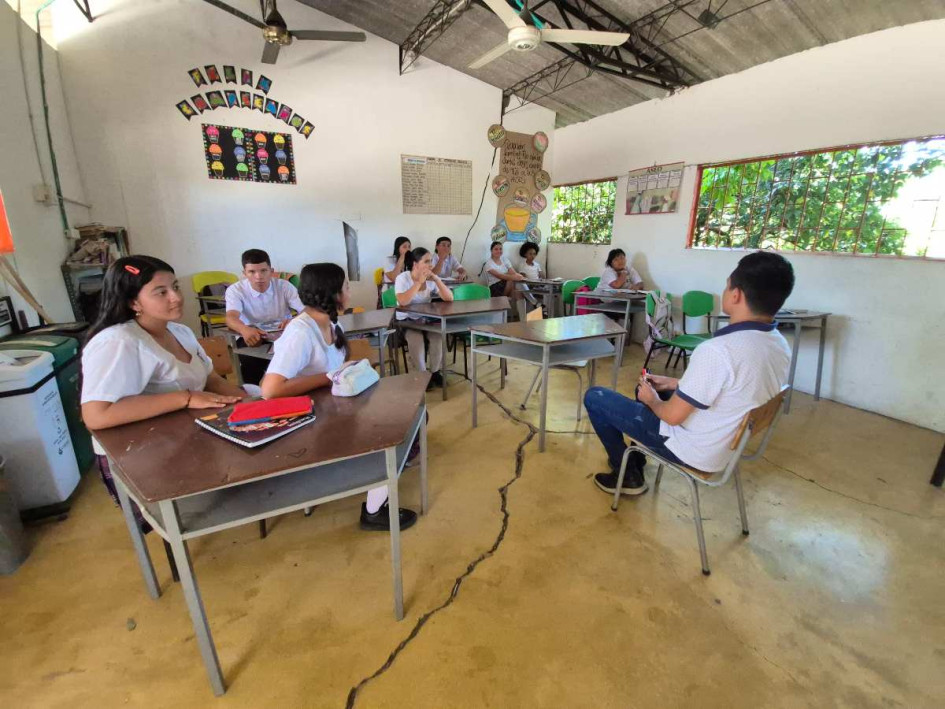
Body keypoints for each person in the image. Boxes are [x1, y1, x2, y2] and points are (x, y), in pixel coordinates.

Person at [584, 251, 794, 496]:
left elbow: (672, 417)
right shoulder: (778, 343)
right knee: (648, 387)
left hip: (691, 448)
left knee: (596, 397)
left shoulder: (718, 350)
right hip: (726, 447)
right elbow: (732, 388)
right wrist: (674, 382)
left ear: (736, 295)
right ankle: (636, 459)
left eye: (727, 287)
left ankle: (628, 474)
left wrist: (652, 399)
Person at [81, 255, 248, 517]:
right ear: (133, 302)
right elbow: (96, 415)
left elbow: (211, 379)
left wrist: (250, 404)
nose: (176, 297)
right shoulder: (118, 342)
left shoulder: (180, 331)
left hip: (187, 440)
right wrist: (186, 398)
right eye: (161, 292)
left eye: (176, 287)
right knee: (190, 519)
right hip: (141, 457)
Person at [261, 263, 417, 531]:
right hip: (310, 418)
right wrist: (329, 377)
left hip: (332, 406)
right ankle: (373, 511)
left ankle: (382, 473)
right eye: (345, 286)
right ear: (333, 292)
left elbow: (338, 366)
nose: (349, 292)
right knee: (384, 433)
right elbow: (270, 389)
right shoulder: (300, 331)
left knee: (411, 417)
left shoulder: (331, 322)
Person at [224, 248, 303, 384]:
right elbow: (231, 317)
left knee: (295, 361)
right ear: (244, 273)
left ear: (271, 271)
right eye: (252, 272)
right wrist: (244, 329)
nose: (258, 276)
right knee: (250, 363)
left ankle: (289, 391)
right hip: (251, 334)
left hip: (283, 334)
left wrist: (294, 321)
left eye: (263, 271)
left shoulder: (284, 286)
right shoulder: (235, 290)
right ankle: (253, 395)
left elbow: (307, 310)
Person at [395, 246, 453, 389]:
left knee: (437, 336)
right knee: (416, 340)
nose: (430, 265)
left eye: (431, 261)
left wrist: (436, 278)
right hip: (407, 321)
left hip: (426, 318)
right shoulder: (403, 278)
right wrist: (419, 282)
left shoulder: (430, 280)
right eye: (427, 261)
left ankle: (434, 372)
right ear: (415, 264)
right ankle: (421, 375)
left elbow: (449, 298)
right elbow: (403, 301)